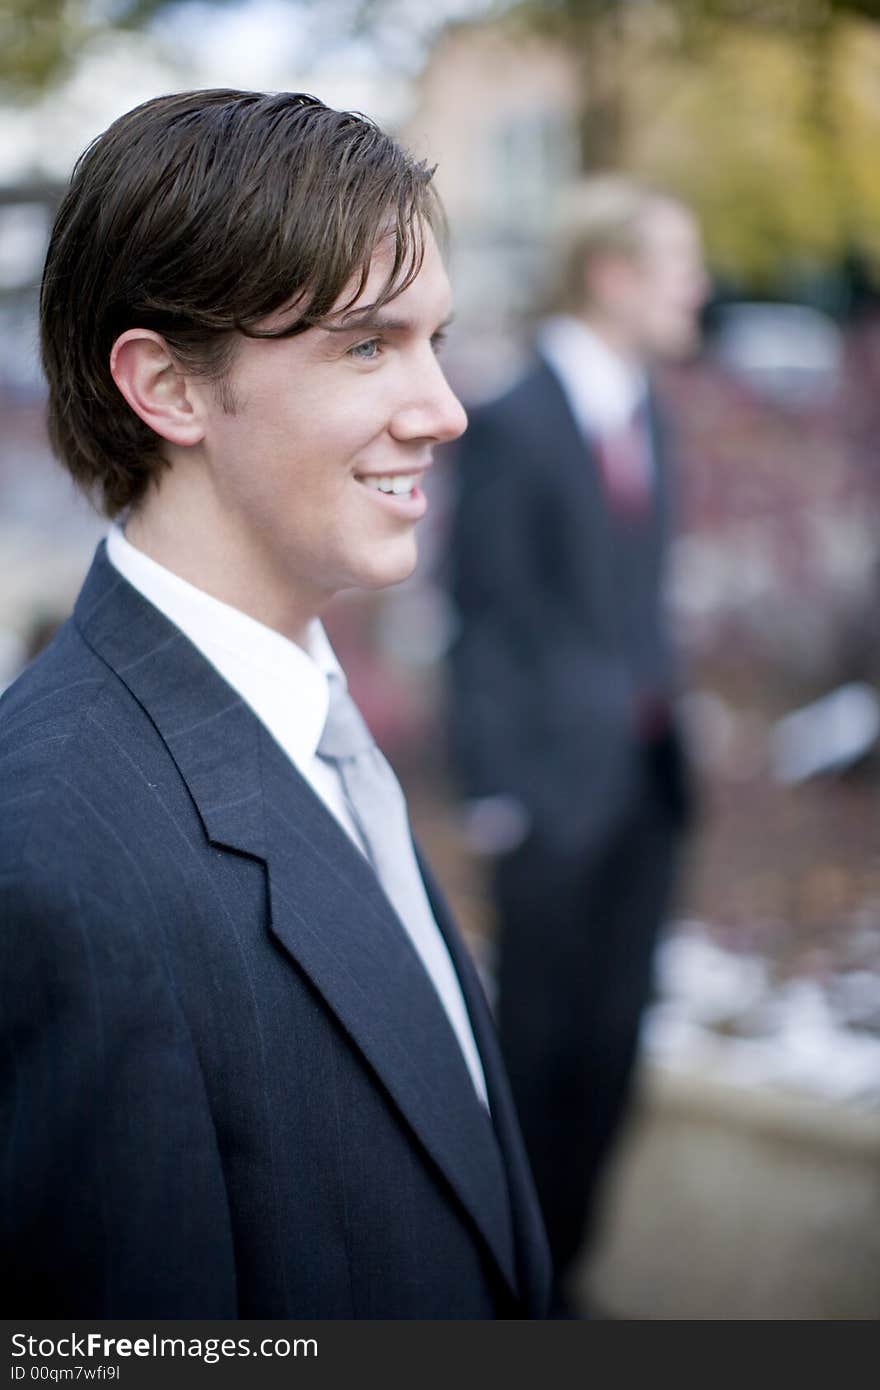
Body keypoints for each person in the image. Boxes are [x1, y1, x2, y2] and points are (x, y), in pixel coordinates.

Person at [0, 89, 551, 1319]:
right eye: (366, 344)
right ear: (168, 387)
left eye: (436, 340)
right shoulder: (51, 863)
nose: (443, 411)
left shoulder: (309, 725)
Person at [448, 176, 708, 1312]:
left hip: (646, 788)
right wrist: (499, 793)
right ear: (611, 274)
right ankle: (512, 1288)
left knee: (613, 1053)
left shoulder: (648, 407)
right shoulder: (515, 419)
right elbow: (482, 614)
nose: (697, 287)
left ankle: (568, 1275)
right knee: (539, 1057)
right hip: (550, 799)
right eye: (677, 264)